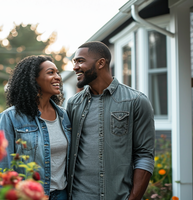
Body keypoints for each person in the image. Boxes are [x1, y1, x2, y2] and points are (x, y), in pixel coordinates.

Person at [66, 41, 155, 200]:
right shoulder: (74, 104)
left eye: (80, 61)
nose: (75, 67)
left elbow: (144, 155)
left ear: (101, 63)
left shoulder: (136, 101)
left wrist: (133, 198)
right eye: (75, 62)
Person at [0, 55, 71, 199]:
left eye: (57, 73)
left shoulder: (64, 116)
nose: (58, 77)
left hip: (62, 195)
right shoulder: (10, 118)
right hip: (28, 196)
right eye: (51, 72)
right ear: (33, 80)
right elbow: (3, 168)